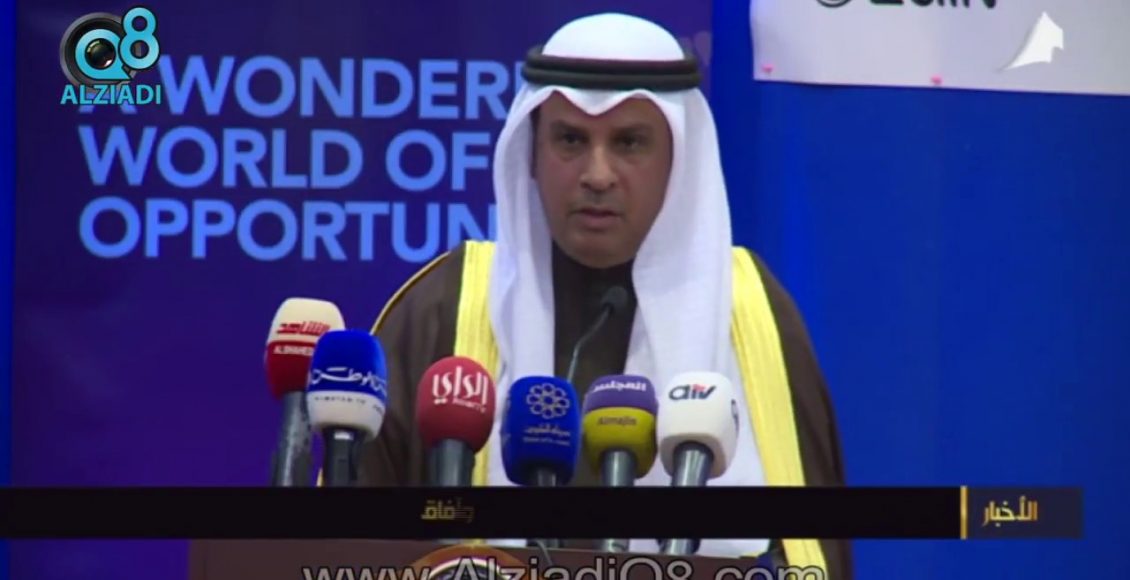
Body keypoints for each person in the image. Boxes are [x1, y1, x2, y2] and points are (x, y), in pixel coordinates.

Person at [358, 12, 851, 579]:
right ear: (532, 152)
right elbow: (348, 549)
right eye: (571, 139)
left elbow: (813, 554)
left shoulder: (753, 314)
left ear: (679, 160)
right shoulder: (445, 306)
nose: (597, 174)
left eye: (629, 143)